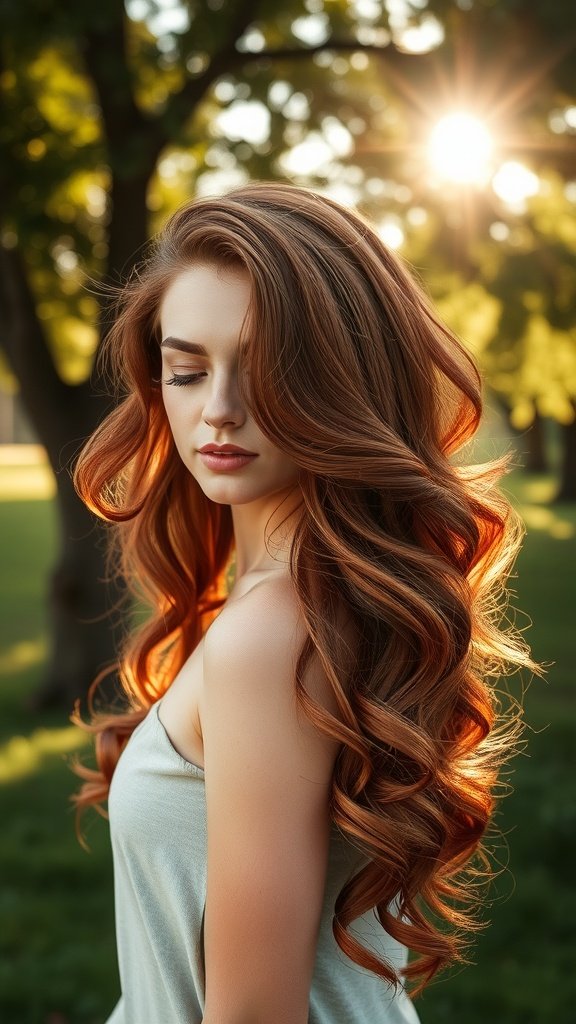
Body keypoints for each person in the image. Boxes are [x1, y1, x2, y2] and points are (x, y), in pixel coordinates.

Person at [73, 181, 535, 1024]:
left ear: (343, 381)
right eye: (186, 369)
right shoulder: (295, 601)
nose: (217, 409)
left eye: (268, 368)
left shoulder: (270, 636)